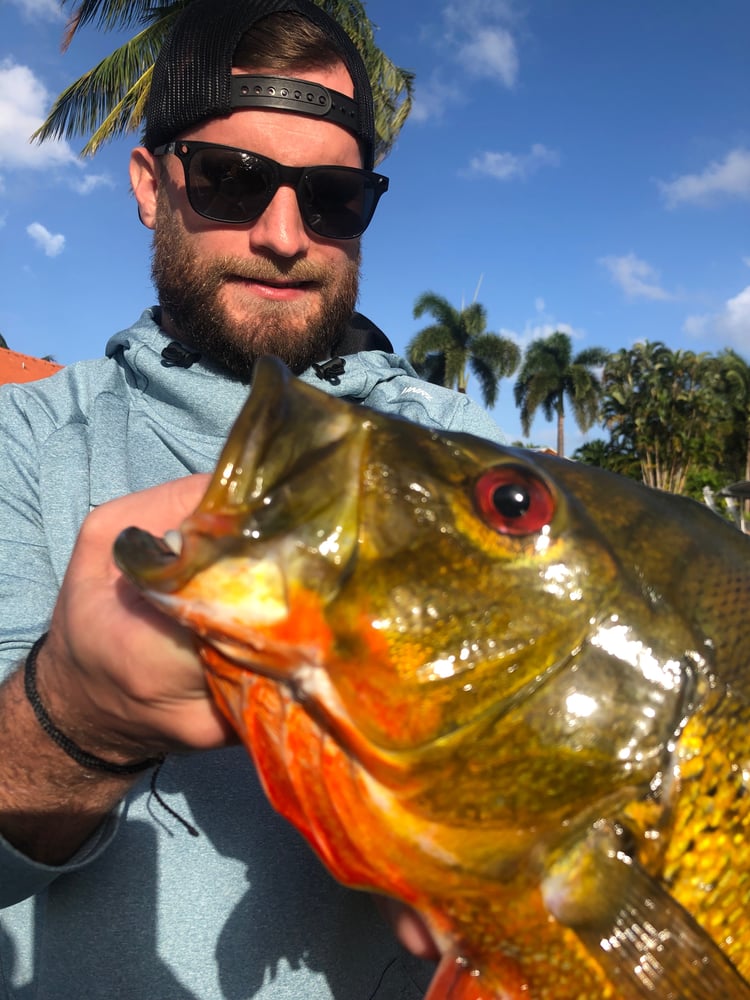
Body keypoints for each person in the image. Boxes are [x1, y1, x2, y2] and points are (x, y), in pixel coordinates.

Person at [0, 0, 505, 996]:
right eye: (231, 180)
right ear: (152, 185)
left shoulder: (468, 466)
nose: (284, 235)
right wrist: (75, 713)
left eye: (333, 198)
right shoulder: (23, 441)